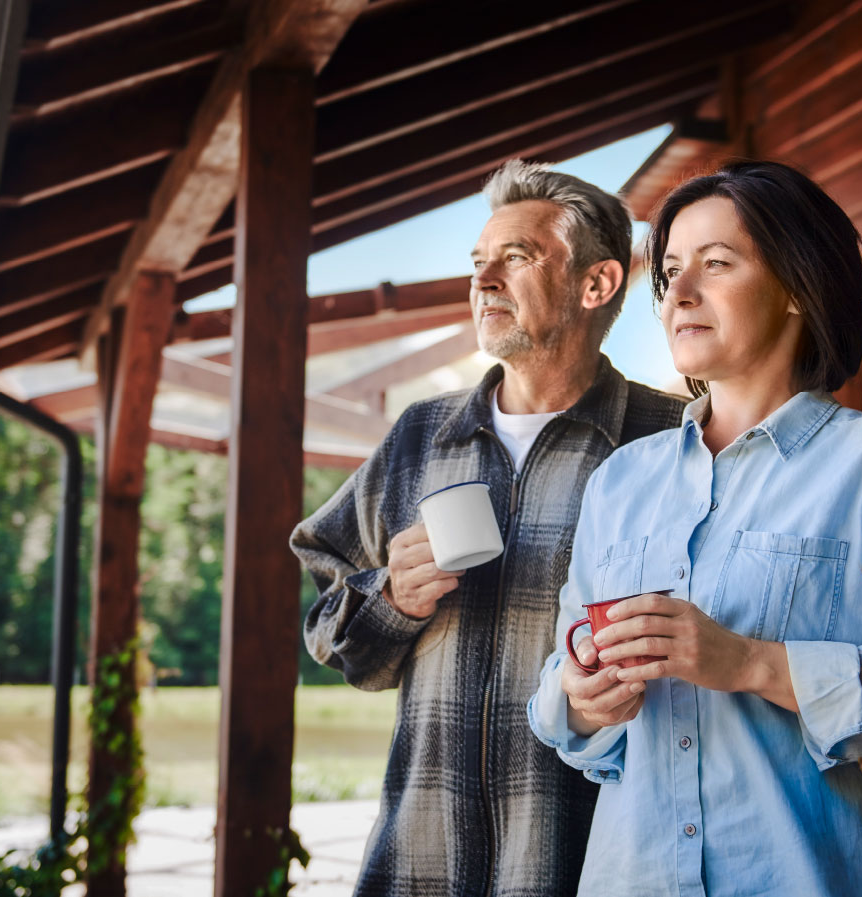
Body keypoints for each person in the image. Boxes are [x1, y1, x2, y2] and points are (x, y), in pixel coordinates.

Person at [293, 159, 688, 897]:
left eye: (515, 257)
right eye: (478, 263)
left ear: (595, 284)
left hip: (591, 861)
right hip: (419, 858)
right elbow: (329, 615)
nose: (481, 282)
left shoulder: (669, 442)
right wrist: (391, 598)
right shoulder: (420, 437)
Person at [528, 160, 862, 896]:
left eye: (715, 265)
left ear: (796, 286)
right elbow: (557, 703)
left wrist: (750, 662)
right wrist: (579, 696)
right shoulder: (621, 481)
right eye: (671, 271)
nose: (677, 294)